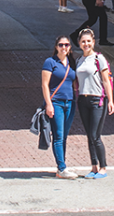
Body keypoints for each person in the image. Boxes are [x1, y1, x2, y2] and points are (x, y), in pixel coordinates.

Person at [75, 29, 114, 178]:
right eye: (83, 42)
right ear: (79, 44)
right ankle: (94, 166)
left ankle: (103, 166)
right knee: (89, 135)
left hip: (97, 99)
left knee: (95, 135)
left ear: (93, 42)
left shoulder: (99, 59)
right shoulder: (79, 60)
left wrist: (110, 100)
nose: (86, 44)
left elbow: (106, 80)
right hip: (83, 99)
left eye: (88, 41)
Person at [42, 35, 78, 179]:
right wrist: (48, 104)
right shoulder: (50, 62)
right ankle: (61, 168)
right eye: (61, 45)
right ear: (56, 46)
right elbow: (45, 84)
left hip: (70, 102)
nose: (64, 47)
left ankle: (62, 165)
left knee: (64, 136)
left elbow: (75, 82)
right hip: (56, 102)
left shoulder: (72, 62)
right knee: (58, 135)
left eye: (67, 45)